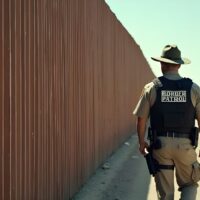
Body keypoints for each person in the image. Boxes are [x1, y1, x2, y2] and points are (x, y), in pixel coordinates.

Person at [133, 44, 200, 200]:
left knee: (166, 194)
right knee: (190, 184)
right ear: (178, 64)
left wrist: (141, 142)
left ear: (162, 64)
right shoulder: (194, 89)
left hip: (160, 146)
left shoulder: (152, 88)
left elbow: (141, 119)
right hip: (185, 146)